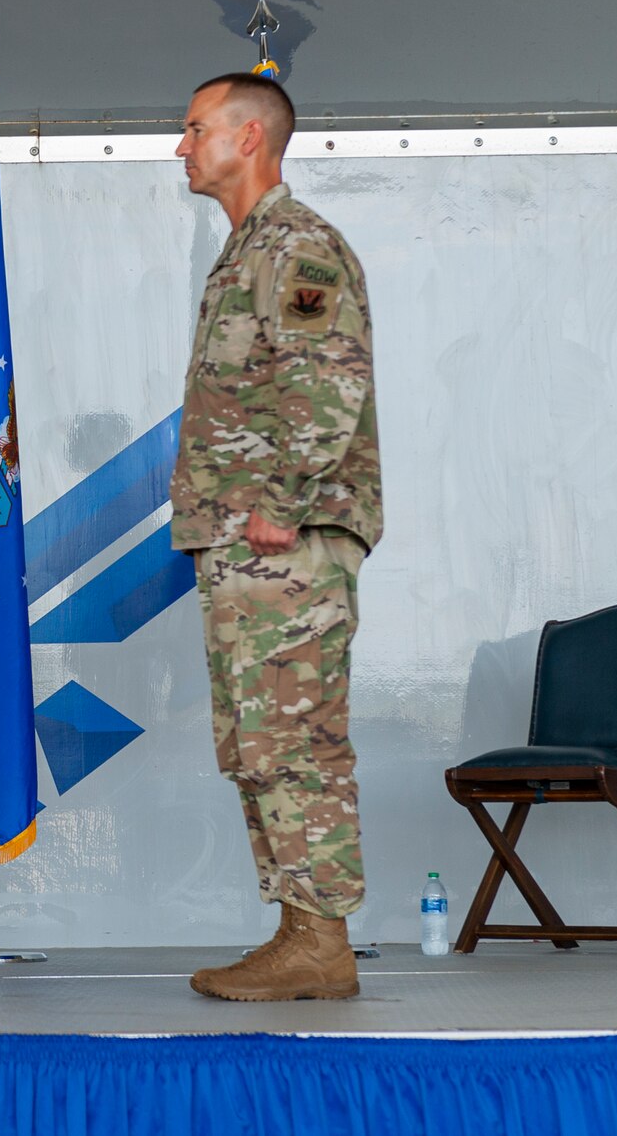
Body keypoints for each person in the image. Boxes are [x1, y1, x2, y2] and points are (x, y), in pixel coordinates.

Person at [171, 73, 383, 1002]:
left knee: (296, 737)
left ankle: (320, 936)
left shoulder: (296, 245)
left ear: (249, 137)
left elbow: (328, 382)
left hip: (282, 542)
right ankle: (301, 927)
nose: (182, 147)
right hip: (248, 543)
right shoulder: (246, 251)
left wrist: (286, 502)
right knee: (261, 738)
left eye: (195, 129)